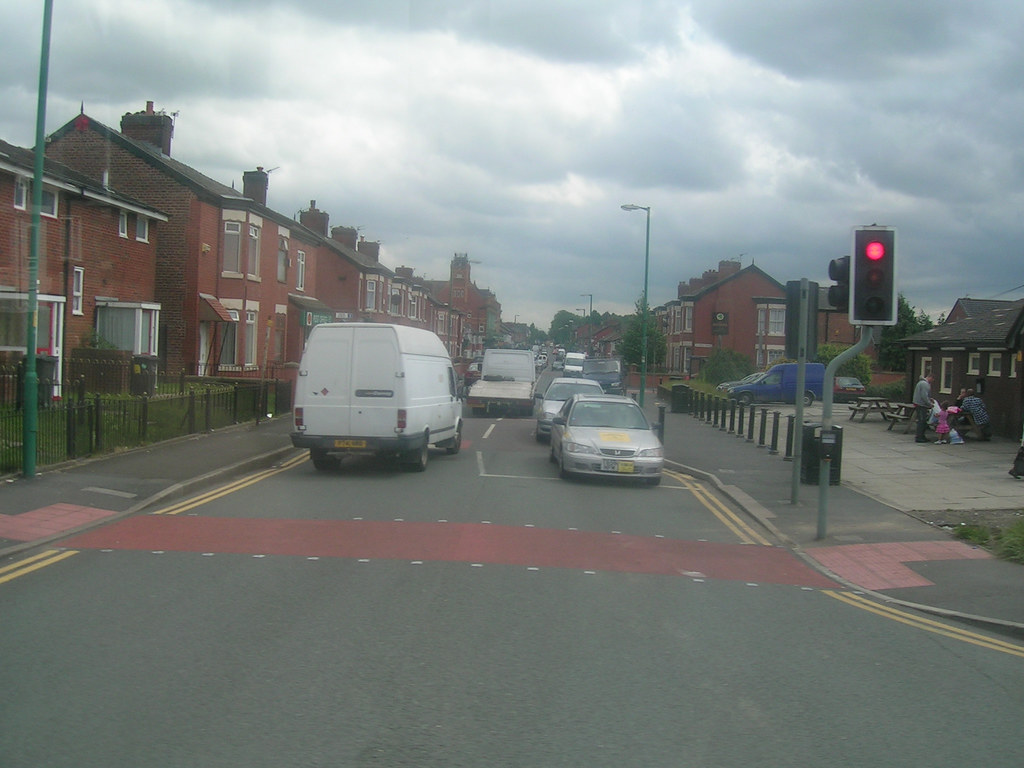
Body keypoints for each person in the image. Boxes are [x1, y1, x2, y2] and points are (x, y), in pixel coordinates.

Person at [913, 374, 934, 443]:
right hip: (922, 405)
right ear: (930, 377)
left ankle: (921, 436)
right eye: (932, 379)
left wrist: (929, 399)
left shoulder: (920, 383)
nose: (932, 381)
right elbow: (924, 395)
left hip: (918, 403)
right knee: (922, 421)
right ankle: (919, 437)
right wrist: (929, 404)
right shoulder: (925, 384)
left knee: (921, 420)